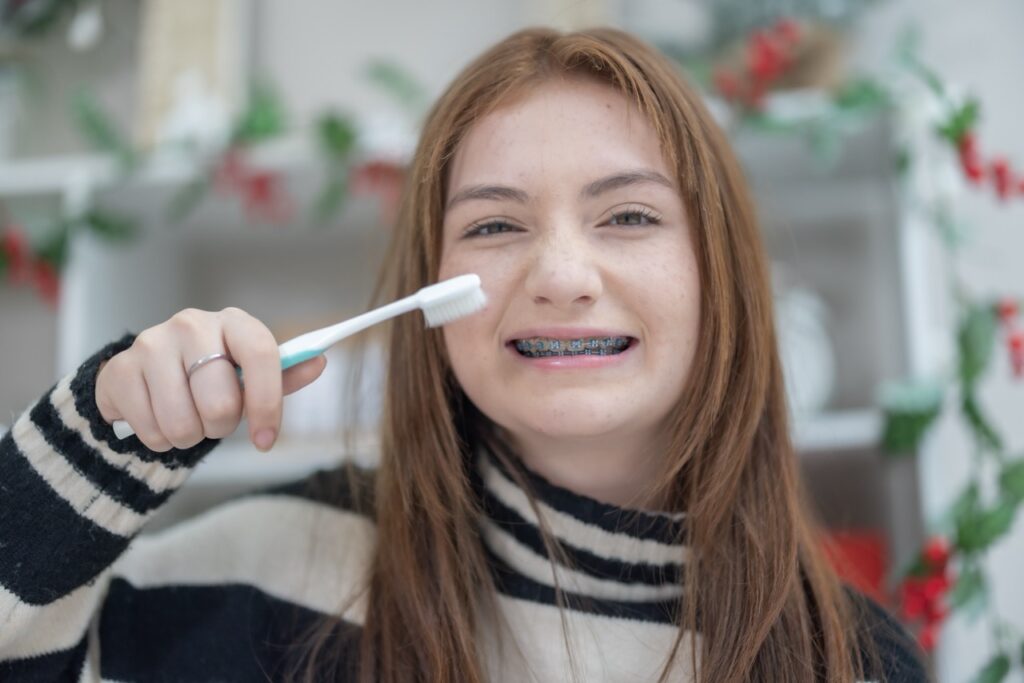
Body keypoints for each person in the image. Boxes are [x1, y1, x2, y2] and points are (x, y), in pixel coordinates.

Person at [0, 26, 929, 683]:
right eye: (494, 223)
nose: (561, 274)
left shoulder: (858, 662)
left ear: (718, 273)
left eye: (630, 216)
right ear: (433, 288)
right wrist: (97, 439)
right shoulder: (269, 571)